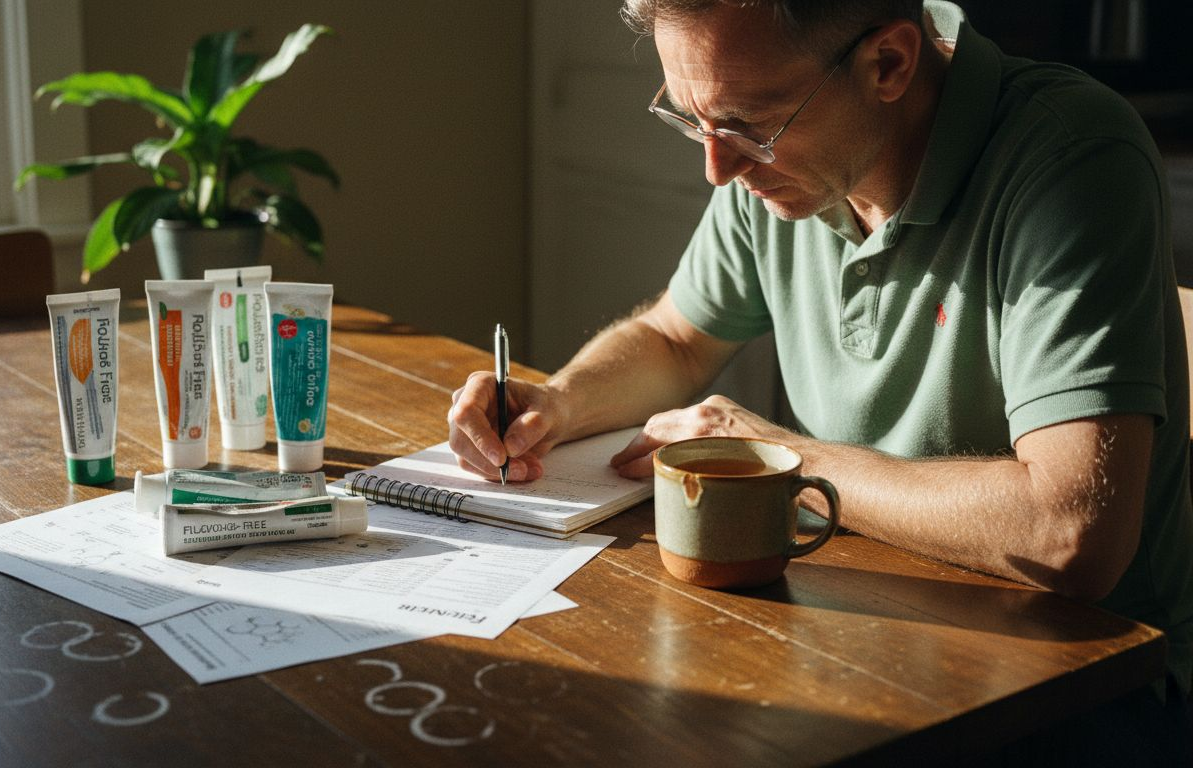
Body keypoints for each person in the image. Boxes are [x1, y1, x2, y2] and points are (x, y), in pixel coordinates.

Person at [447, 0, 1192, 762]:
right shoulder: (780, 169)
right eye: (690, 118)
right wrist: (561, 401)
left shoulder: (1070, 158)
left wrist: (780, 461)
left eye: (748, 125)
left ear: (889, 64)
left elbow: (1071, 533)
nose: (718, 167)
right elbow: (674, 339)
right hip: (857, 630)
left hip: (1083, 696)